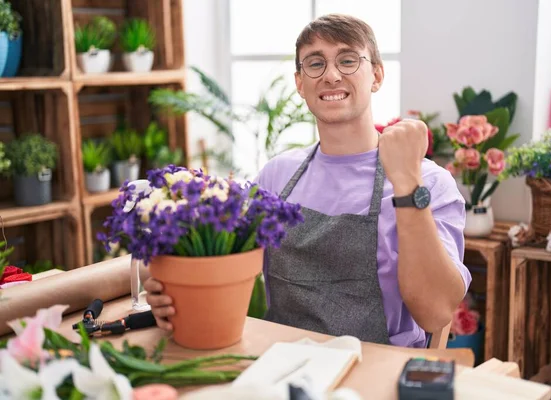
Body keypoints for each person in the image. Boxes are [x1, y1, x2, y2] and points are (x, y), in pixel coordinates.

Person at [145, 13, 471, 348]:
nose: (331, 75)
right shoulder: (277, 175)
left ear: (376, 74)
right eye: (315, 64)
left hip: (378, 368)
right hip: (281, 361)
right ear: (300, 83)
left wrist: (407, 186)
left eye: (347, 60)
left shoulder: (429, 182)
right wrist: (169, 287)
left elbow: (434, 314)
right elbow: (219, 261)